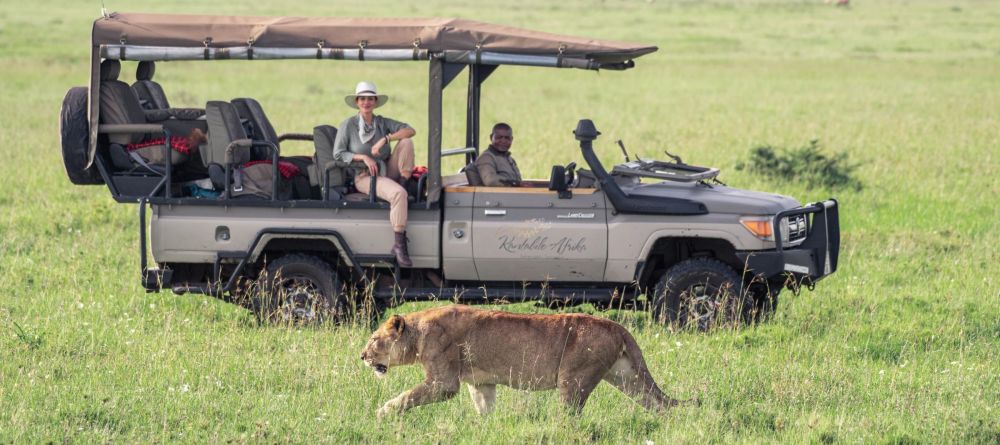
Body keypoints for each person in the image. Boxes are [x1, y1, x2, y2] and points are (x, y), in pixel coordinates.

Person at [332, 81, 417, 267]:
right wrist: (362, 157)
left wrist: (385, 139)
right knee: (398, 195)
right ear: (356, 102)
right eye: (362, 98)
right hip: (365, 176)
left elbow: (410, 130)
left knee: (406, 142)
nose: (366, 102)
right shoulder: (348, 125)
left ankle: (403, 183)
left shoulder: (381, 122)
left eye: (370, 99)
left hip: (386, 170)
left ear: (376, 102)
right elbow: (338, 154)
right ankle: (399, 245)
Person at [474, 123, 522, 187]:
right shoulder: (487, 157)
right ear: (491, 137)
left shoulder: (509, 158)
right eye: (499, 137)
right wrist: (515, 183)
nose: (503, 141)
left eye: (507, 138)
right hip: (499, 196)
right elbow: (490, 180)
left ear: (511, 139)